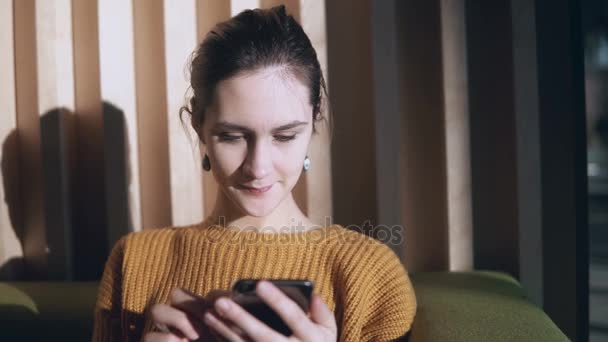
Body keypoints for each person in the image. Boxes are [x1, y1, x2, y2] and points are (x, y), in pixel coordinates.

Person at [92, 5, 416, 342]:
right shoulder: (134, 262)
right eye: (232, 137)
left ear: (314, 122)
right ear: (199, 127)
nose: (258, 168)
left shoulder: (369, 275)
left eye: (285, 136)